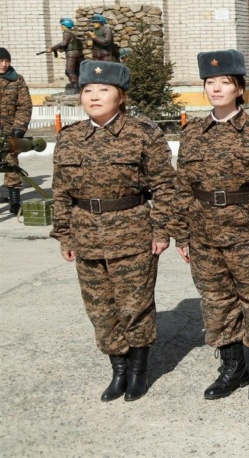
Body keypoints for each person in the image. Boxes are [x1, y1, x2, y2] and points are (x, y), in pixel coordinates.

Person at [49, 60, 178, 401]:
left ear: (120, 96)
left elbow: (165, 186)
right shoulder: (70, 138)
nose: (94, 96)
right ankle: (118, 370)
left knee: (134, 306)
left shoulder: (143, 133)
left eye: (103, 90)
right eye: (88, 90)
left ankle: (138, 371)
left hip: (132, 232)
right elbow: (61, 190)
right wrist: (64, 233)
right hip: (86, 235)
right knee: (100, 309)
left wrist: (161, 231)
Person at [173, 50, 249, 402]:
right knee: (217, 302)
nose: (217, 88)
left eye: (225, 82)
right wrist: (183, 234)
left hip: (248, 234)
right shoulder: (192, 133)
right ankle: (231, 368)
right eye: (210, 82)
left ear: (239, 89)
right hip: (205, 234)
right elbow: (182, 188)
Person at [0, 47, 33, 215]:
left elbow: (24, 105)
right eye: (1, 61)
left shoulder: (17, 80)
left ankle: (14, 200)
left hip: (8, 131)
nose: (4, 64)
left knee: (11, 163)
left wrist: (19, 127)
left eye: (6, 61)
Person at [49, 17, 85, 91]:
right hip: (76, 53)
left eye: (62, 25)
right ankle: (79, 85)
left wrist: (52, 48)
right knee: (75, 71)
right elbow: (69, 44)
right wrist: (61, 49)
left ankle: (76, 87)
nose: (61, 27)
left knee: (69, 71)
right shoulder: (71, 33)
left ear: (65, 25)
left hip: (71, 54)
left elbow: (64, 43)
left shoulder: (66, 33)